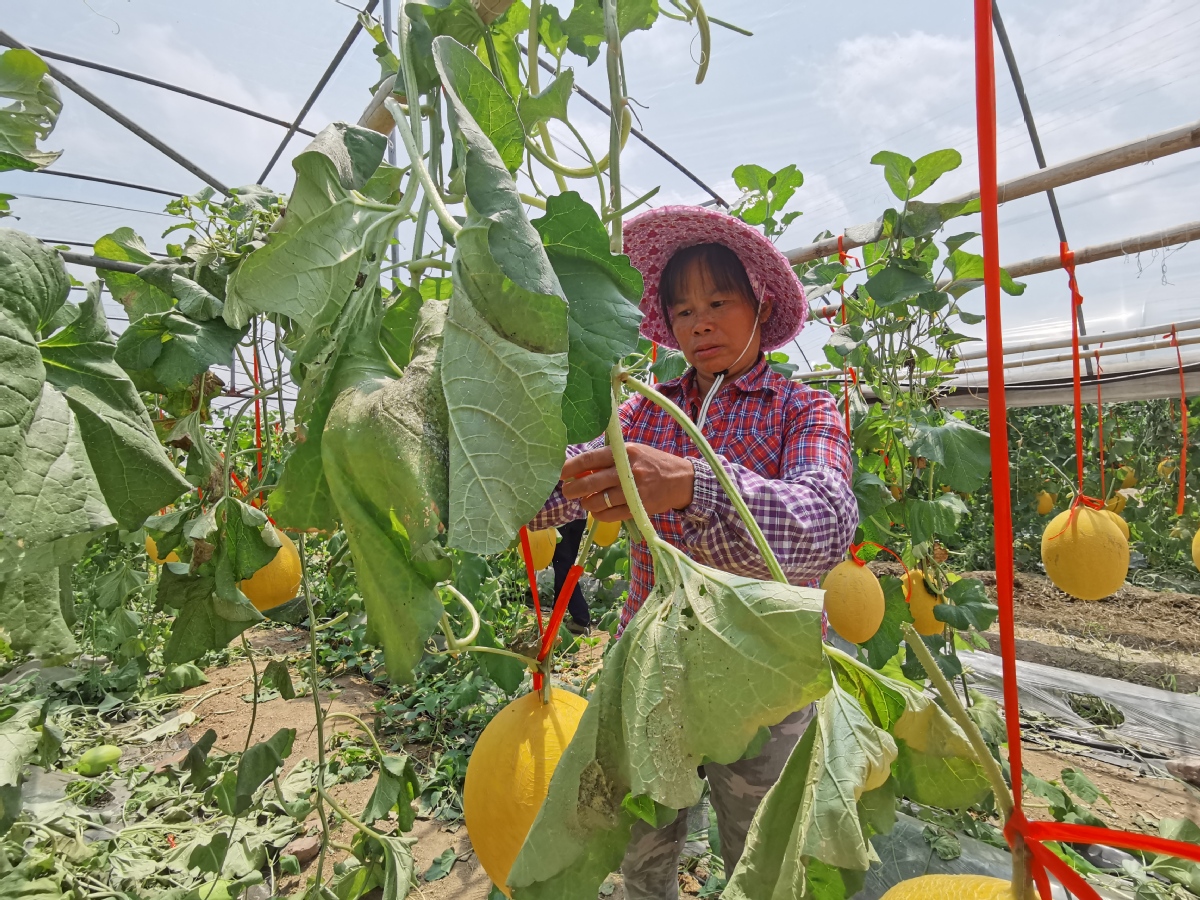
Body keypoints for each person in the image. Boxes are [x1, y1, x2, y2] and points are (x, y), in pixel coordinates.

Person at [529, 205, 856, 899]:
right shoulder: (645, 407)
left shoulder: (803, 410)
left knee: (762, 860)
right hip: (655, 675)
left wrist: (695, 487)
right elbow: (557, 492)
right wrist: (525, 469)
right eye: (682, 311)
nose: (699, 323)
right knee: (643, 859)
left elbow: (826, 526)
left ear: (760, 306)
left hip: (762, 684)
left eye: (717, 302)